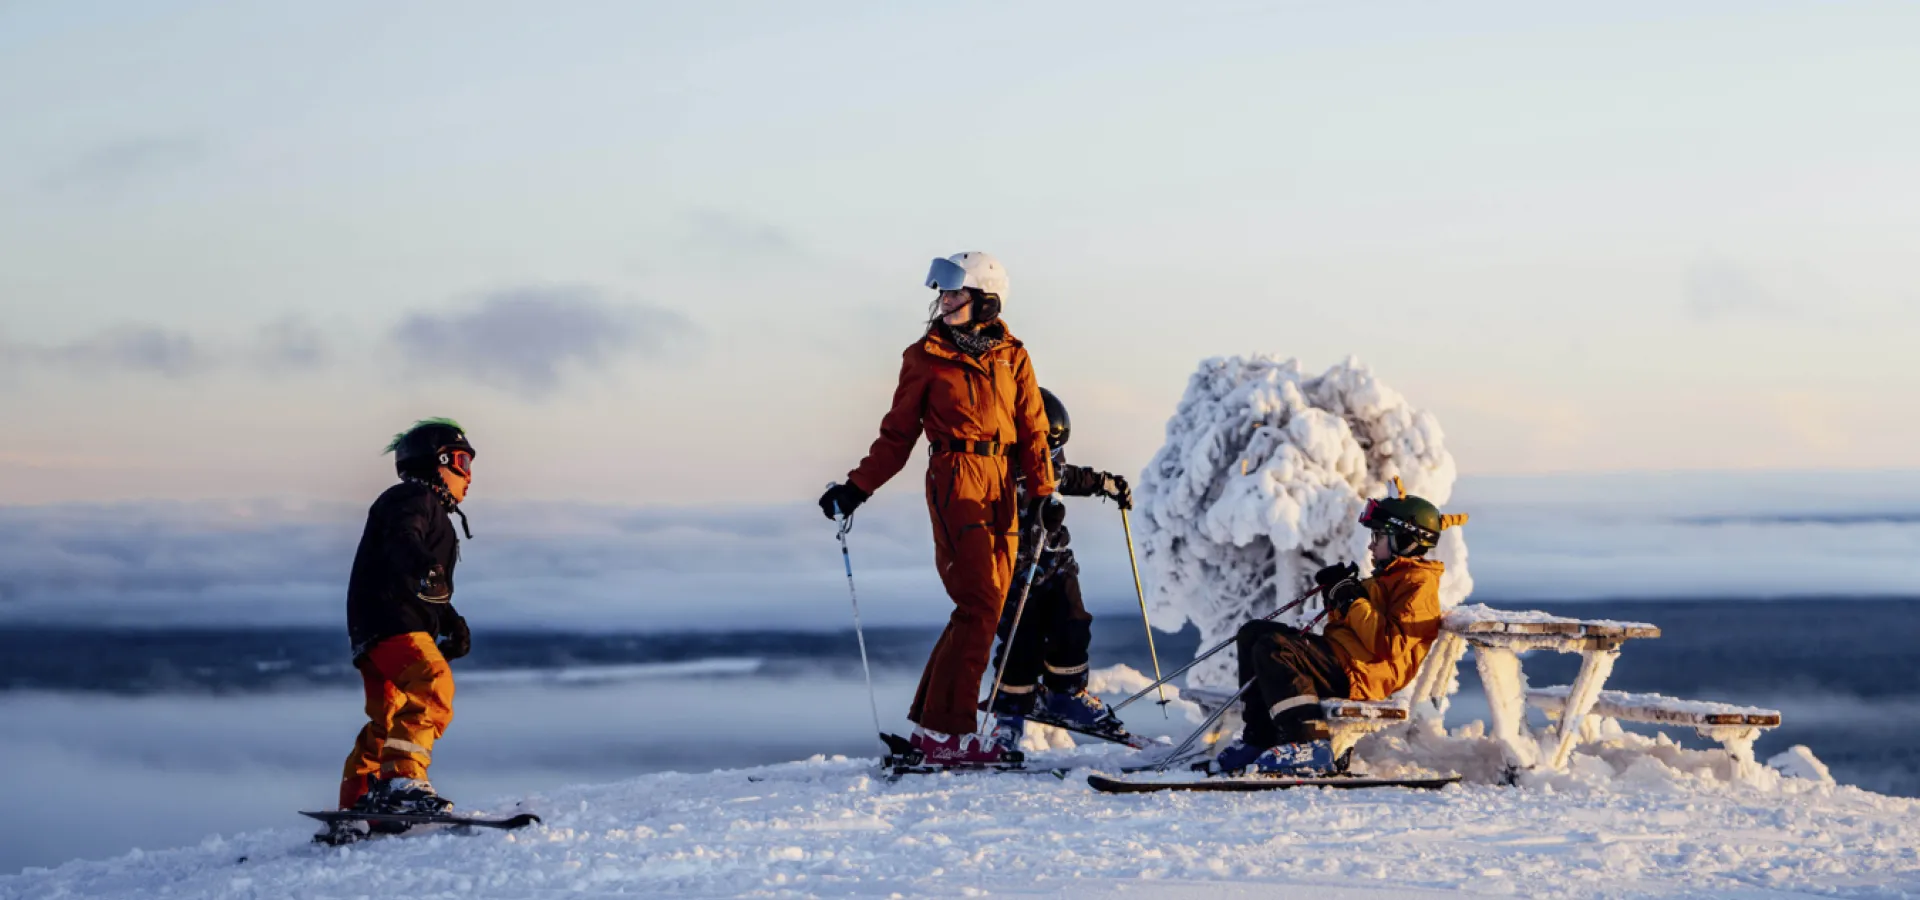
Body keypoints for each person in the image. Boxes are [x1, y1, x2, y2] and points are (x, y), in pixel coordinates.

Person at [818, 251, 1056, 766]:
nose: (943, 302)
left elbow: (1033, 430)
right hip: (955, 477)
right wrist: (857, 488)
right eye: (943, 294)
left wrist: (1042, 495)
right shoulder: (924, 357)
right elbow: (897, 435)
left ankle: (934, 729)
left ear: (985, 300)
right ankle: (947, 736)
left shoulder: (1013, 355)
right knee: (979, 603)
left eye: (955, 294)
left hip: (1002, 486)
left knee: (984, 609)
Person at [1213, 485, 1467, 776]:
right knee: (1254, 633)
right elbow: (1352, 624)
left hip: (1365, 674)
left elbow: (1390, 644)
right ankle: (1260, 739)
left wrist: (1352, 600)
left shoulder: (1418, 585)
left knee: (1275, 648)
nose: (1371, 546)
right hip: (1348, 662)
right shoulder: (1387, 578)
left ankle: (1309, 744)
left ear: (1405, 540)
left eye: (1379, 537)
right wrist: (1338, 595)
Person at [323, 418, 477, 843]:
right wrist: (425, 567)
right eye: (462, 462)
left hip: (374, 625)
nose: (469, 476)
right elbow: (402, 541)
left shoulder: (423, 507)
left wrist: (449, 620)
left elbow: (422, 583)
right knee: (431, 685)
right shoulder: (412, 497)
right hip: (394, 622)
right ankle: (402, 783)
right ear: (437, 462)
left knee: (386, 718)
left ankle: (357, 806)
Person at [987, 387, 1137, 748]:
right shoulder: (999, 470)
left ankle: (1066, 693)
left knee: (1073, 623)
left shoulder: (1050, 460)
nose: (1051, 458)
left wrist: (1105, 483)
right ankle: (1010, 711)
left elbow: (1067, 476)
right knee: (1020, 640)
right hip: (1016, 570)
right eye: (1046, 449)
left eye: (1056, 449)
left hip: (1055, 562)